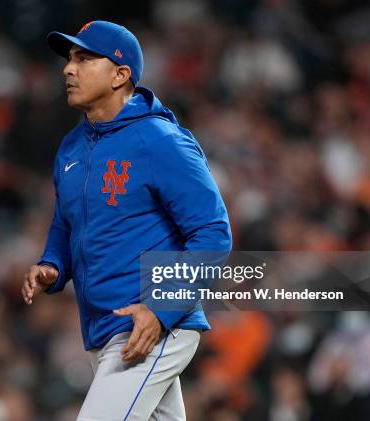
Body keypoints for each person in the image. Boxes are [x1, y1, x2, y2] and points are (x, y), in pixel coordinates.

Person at [21, 21, 232, 420]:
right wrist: (53, 263)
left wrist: (159, 309)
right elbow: (66, 223)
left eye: (84, 58)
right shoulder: (71, 147)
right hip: (106, 328)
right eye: (69, 58)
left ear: (120, 75)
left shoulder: (158, 139)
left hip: (151, 324)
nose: (69, 68)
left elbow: (213, 234)